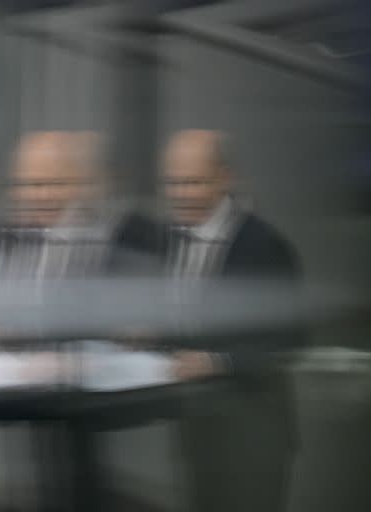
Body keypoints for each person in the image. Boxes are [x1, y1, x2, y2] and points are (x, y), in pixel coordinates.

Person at [112, 129, 302, 512]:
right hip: (197, 427)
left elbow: (288, 339)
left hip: (254, 434)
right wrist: (150, 333)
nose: (181, 194)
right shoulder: (168, 238)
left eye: (194, 182)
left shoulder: (265, 246)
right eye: (174, 183)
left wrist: (216, 361)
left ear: (225, 178)